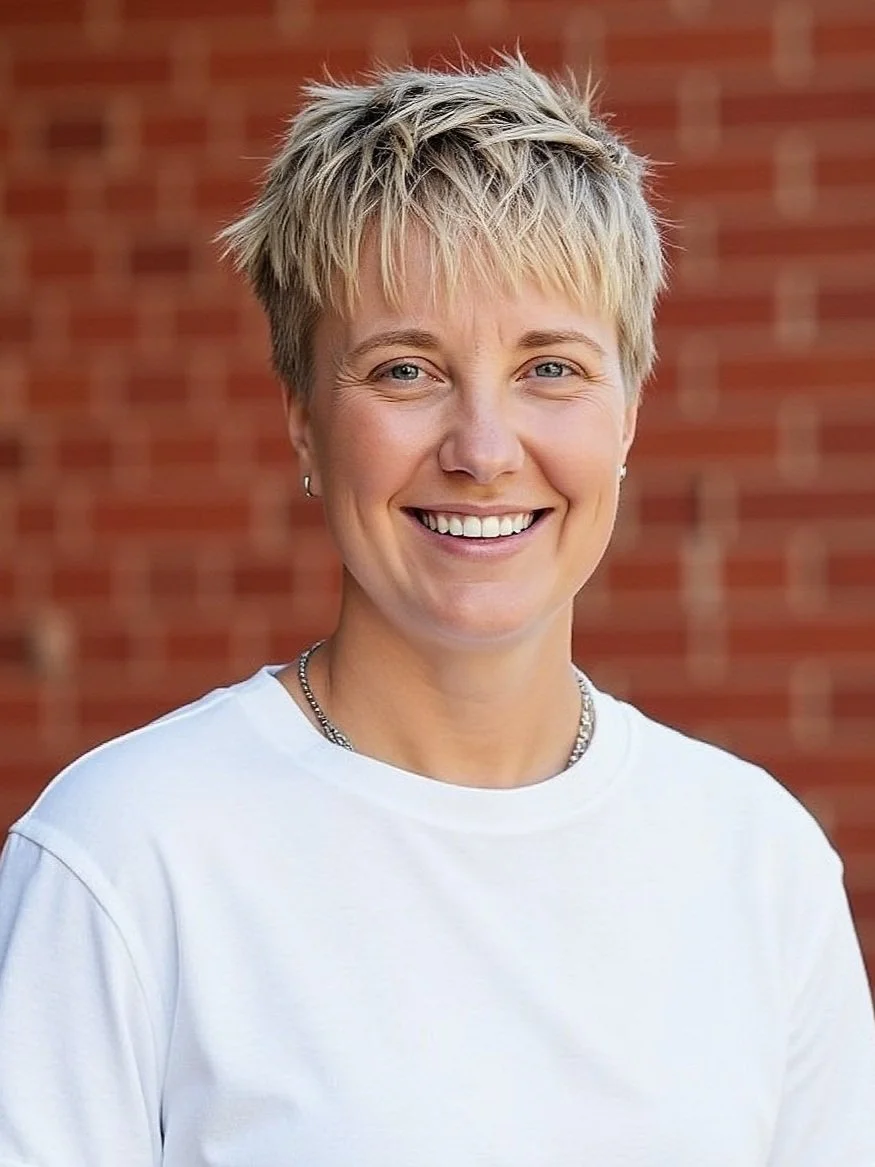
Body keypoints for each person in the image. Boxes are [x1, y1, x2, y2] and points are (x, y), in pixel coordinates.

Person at [1, 53, 873, 1167]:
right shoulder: (127, 855)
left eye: (549, 370)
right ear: (304, 424)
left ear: (626, 417)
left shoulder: (756, 863)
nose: (481, 451)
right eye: (405, 371)